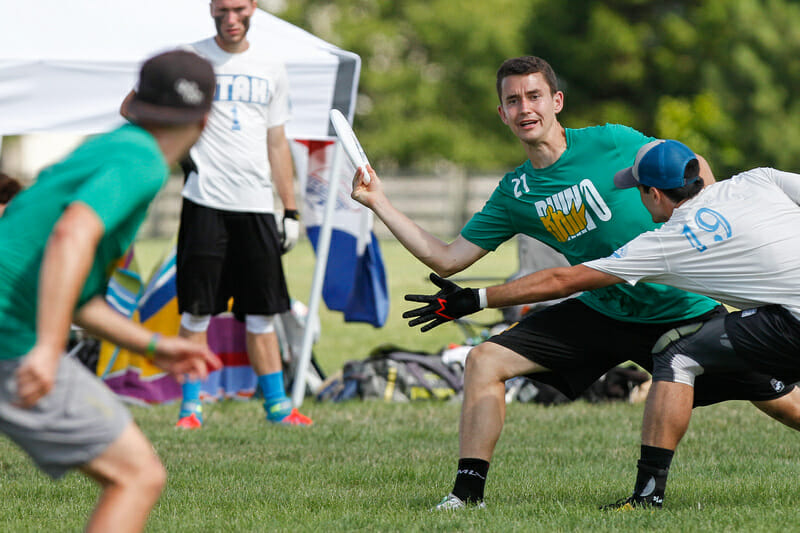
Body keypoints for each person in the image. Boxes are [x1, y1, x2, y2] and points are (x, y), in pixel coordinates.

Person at [351, 55, 800, 510]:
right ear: (501, 113)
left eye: (534, 96)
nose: (525, 108)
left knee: (781, 402)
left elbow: (687, 161)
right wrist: (380, 203)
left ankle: (649, 493)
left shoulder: (612, 140)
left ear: (556, 101)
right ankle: (466, 496)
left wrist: (703, 222)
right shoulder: (515, 193)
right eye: (513, 100)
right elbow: (446, 259)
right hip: (602, 310)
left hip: (681, 313)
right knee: (484, 360)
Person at [0, 50, 223, 533]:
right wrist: (45, 347)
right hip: (11, 337)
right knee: (137, 476)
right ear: (205, 121)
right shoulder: (142, 161)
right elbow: (71, 234)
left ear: (133, 102)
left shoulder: (110, 147)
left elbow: (77, 296)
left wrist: (153, 345)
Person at [173, 0, 311, 428]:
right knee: (196, 310)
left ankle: (278, 407)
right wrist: (182, 152)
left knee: (263, 312)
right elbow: (135, 106)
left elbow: (276, 142)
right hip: (204, 203)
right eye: (221, 10)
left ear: (253, 7)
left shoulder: (271, 65)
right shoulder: (189, 58)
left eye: (238, 9)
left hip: (256, 207)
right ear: (210, 9)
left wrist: (289, 209)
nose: (230, 19)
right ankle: (189, 409)